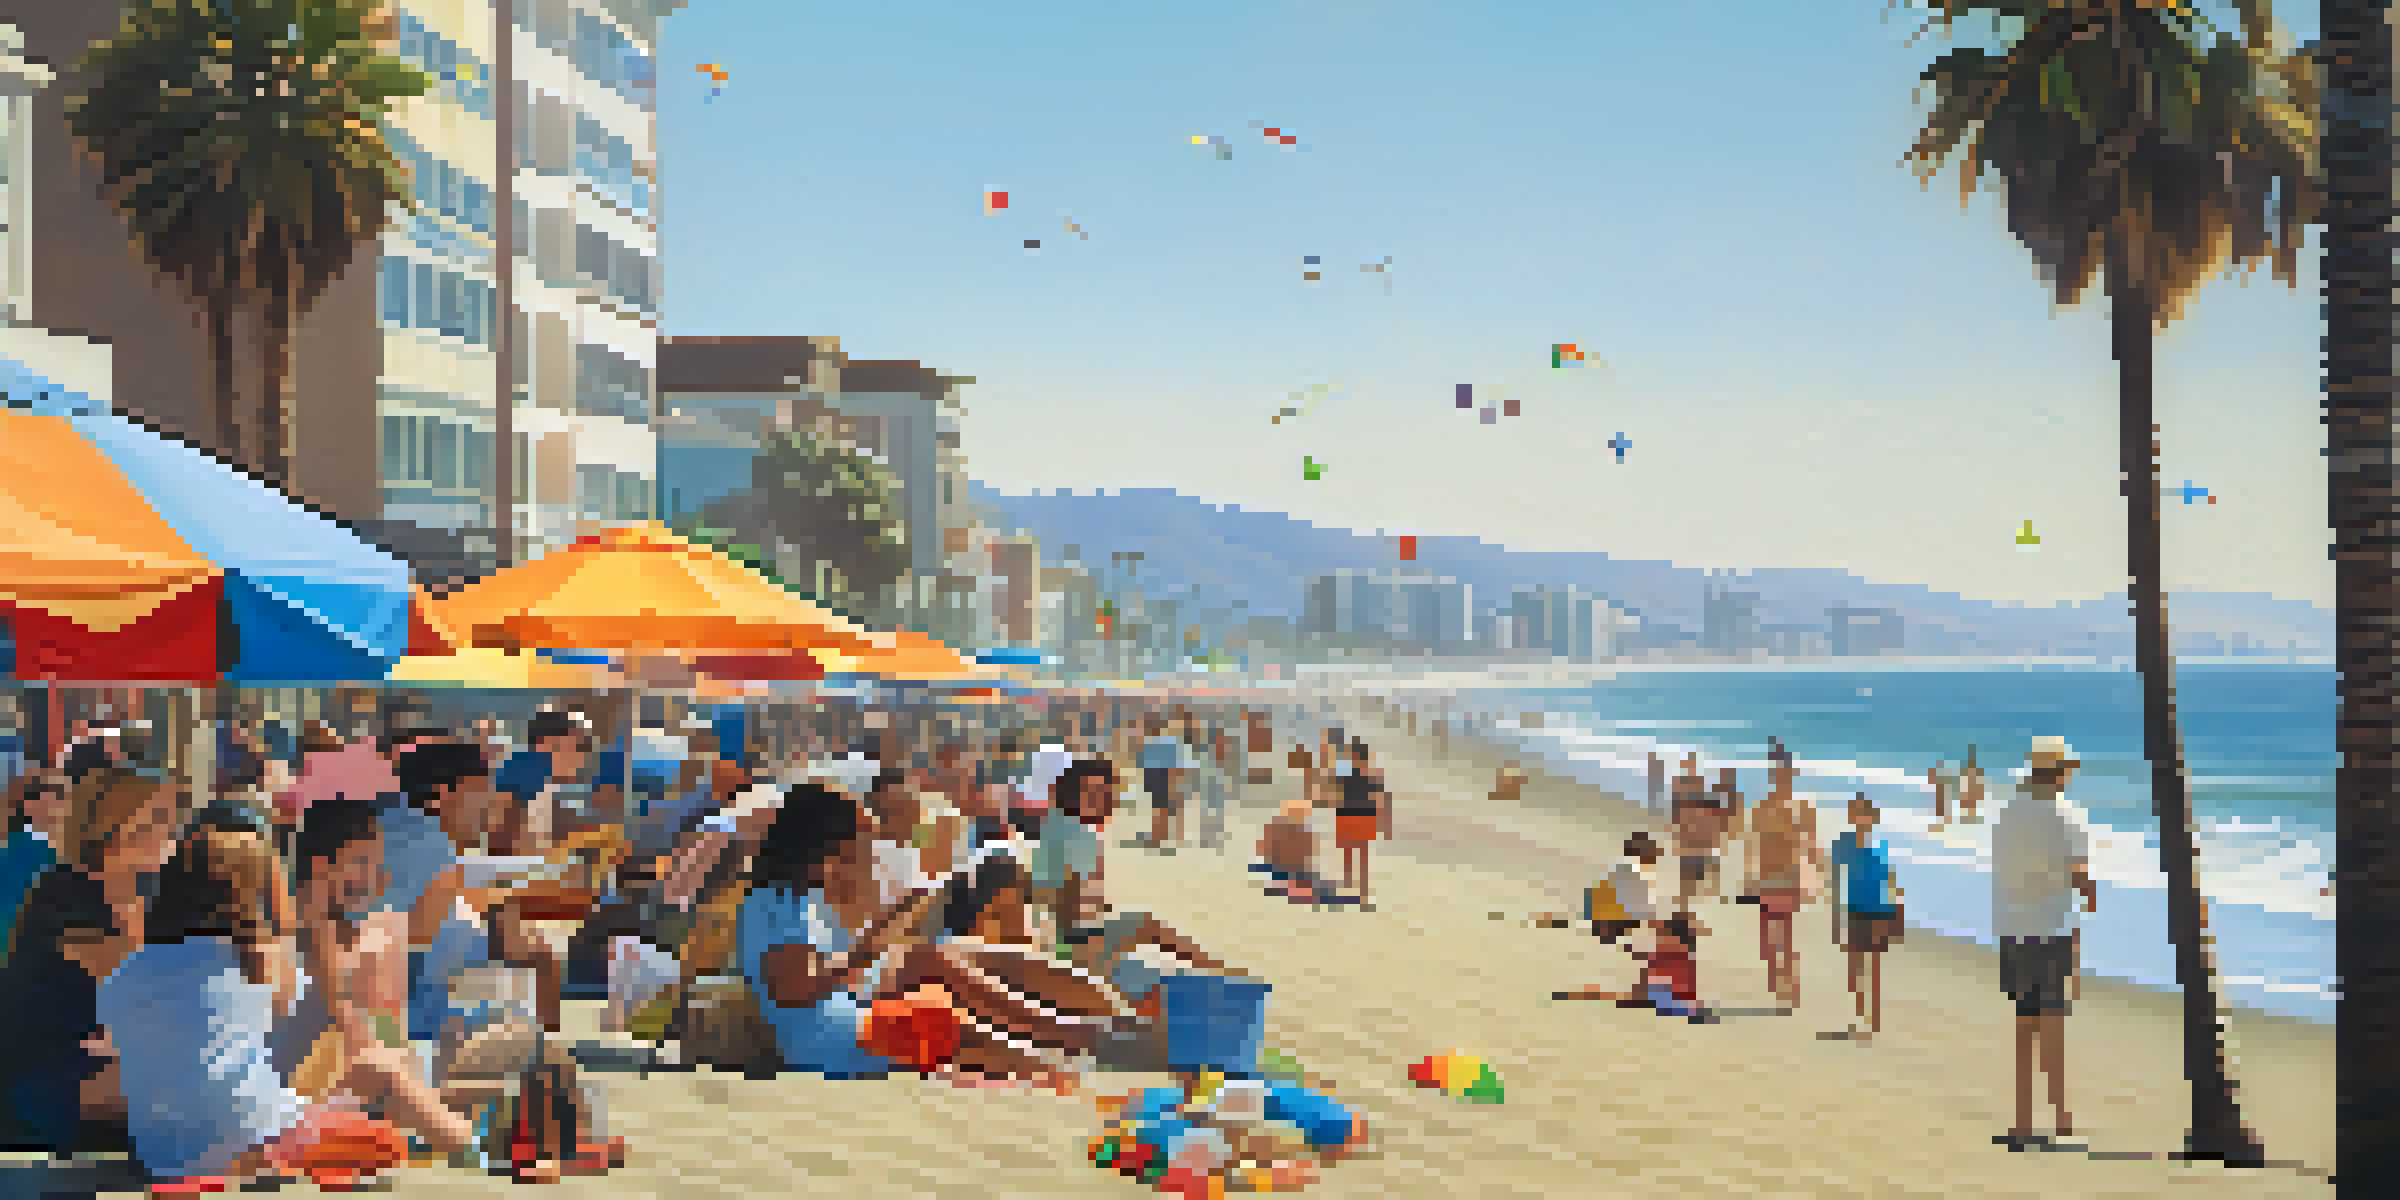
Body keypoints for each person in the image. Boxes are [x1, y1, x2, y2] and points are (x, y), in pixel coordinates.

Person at [101, 823, 473, 1187]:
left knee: (337, 1083)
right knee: (378, 1081)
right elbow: (336, 1020)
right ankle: (474, 1150)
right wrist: (317, 924)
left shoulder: (123, 975)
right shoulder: (259, 959)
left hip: (165, 1160)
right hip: (255, 1149)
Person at [1992, 736, 2099, 1152]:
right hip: (2052, 928)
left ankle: (2022, 1121)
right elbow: (2079, 875)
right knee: (2054, 1024)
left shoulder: (2007, 814)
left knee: (2025, 1025)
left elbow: (2004, 866)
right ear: (2060, 772)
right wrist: (2089, 893)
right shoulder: (2066, 816)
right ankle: (2061, 1123)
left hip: (2013, 927)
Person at [1745, 742, 1823, 1013]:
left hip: (1789, 878)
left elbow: (1812, 845)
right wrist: (1749, 876)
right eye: (1777, 773)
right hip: (1767, 878)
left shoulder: (1801, 808)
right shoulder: (1761, 808)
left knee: (1784, 936)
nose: (1781, 778)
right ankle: (1779, 985)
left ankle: (1789, 990)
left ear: (1791, 775)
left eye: (1785, 773)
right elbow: (1752, 844)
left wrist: (1818, 875)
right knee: (1767, 941)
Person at [1828, 792, 1903, 1041]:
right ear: (1852, 816)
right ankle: (1860, 1016)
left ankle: (1873, 1022)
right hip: (1854, 911)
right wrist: (1835, 919)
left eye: (1865, 813)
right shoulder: (1844, 845)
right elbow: (1834, 880)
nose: (1861, 818)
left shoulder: (1880, 846)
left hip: (1879, 912)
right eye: (1856, 812)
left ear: (1873, 818)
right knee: (1854, 967)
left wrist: (1896, 915)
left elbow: (1891, 882)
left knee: (1873, 968)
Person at [1334, 741, 1392, 909]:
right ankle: (1350, 884)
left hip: (1361, 815)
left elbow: (1380, 797)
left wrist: (1384, 822)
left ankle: (1361, 890)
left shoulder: (1367, 775)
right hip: (1349, 814)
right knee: (1350, 851)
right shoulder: (1350, 773)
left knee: (1360, 853)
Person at [1137, 717, 1185, 850]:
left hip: (1157, 776)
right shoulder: (1169, 742)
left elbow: (1145, 764)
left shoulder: (1148, 744)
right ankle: (1166, 834)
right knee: (1167, 807)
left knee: (1158, 808)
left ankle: (1158, 835)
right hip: (1163, 776)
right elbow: (1175, 764)